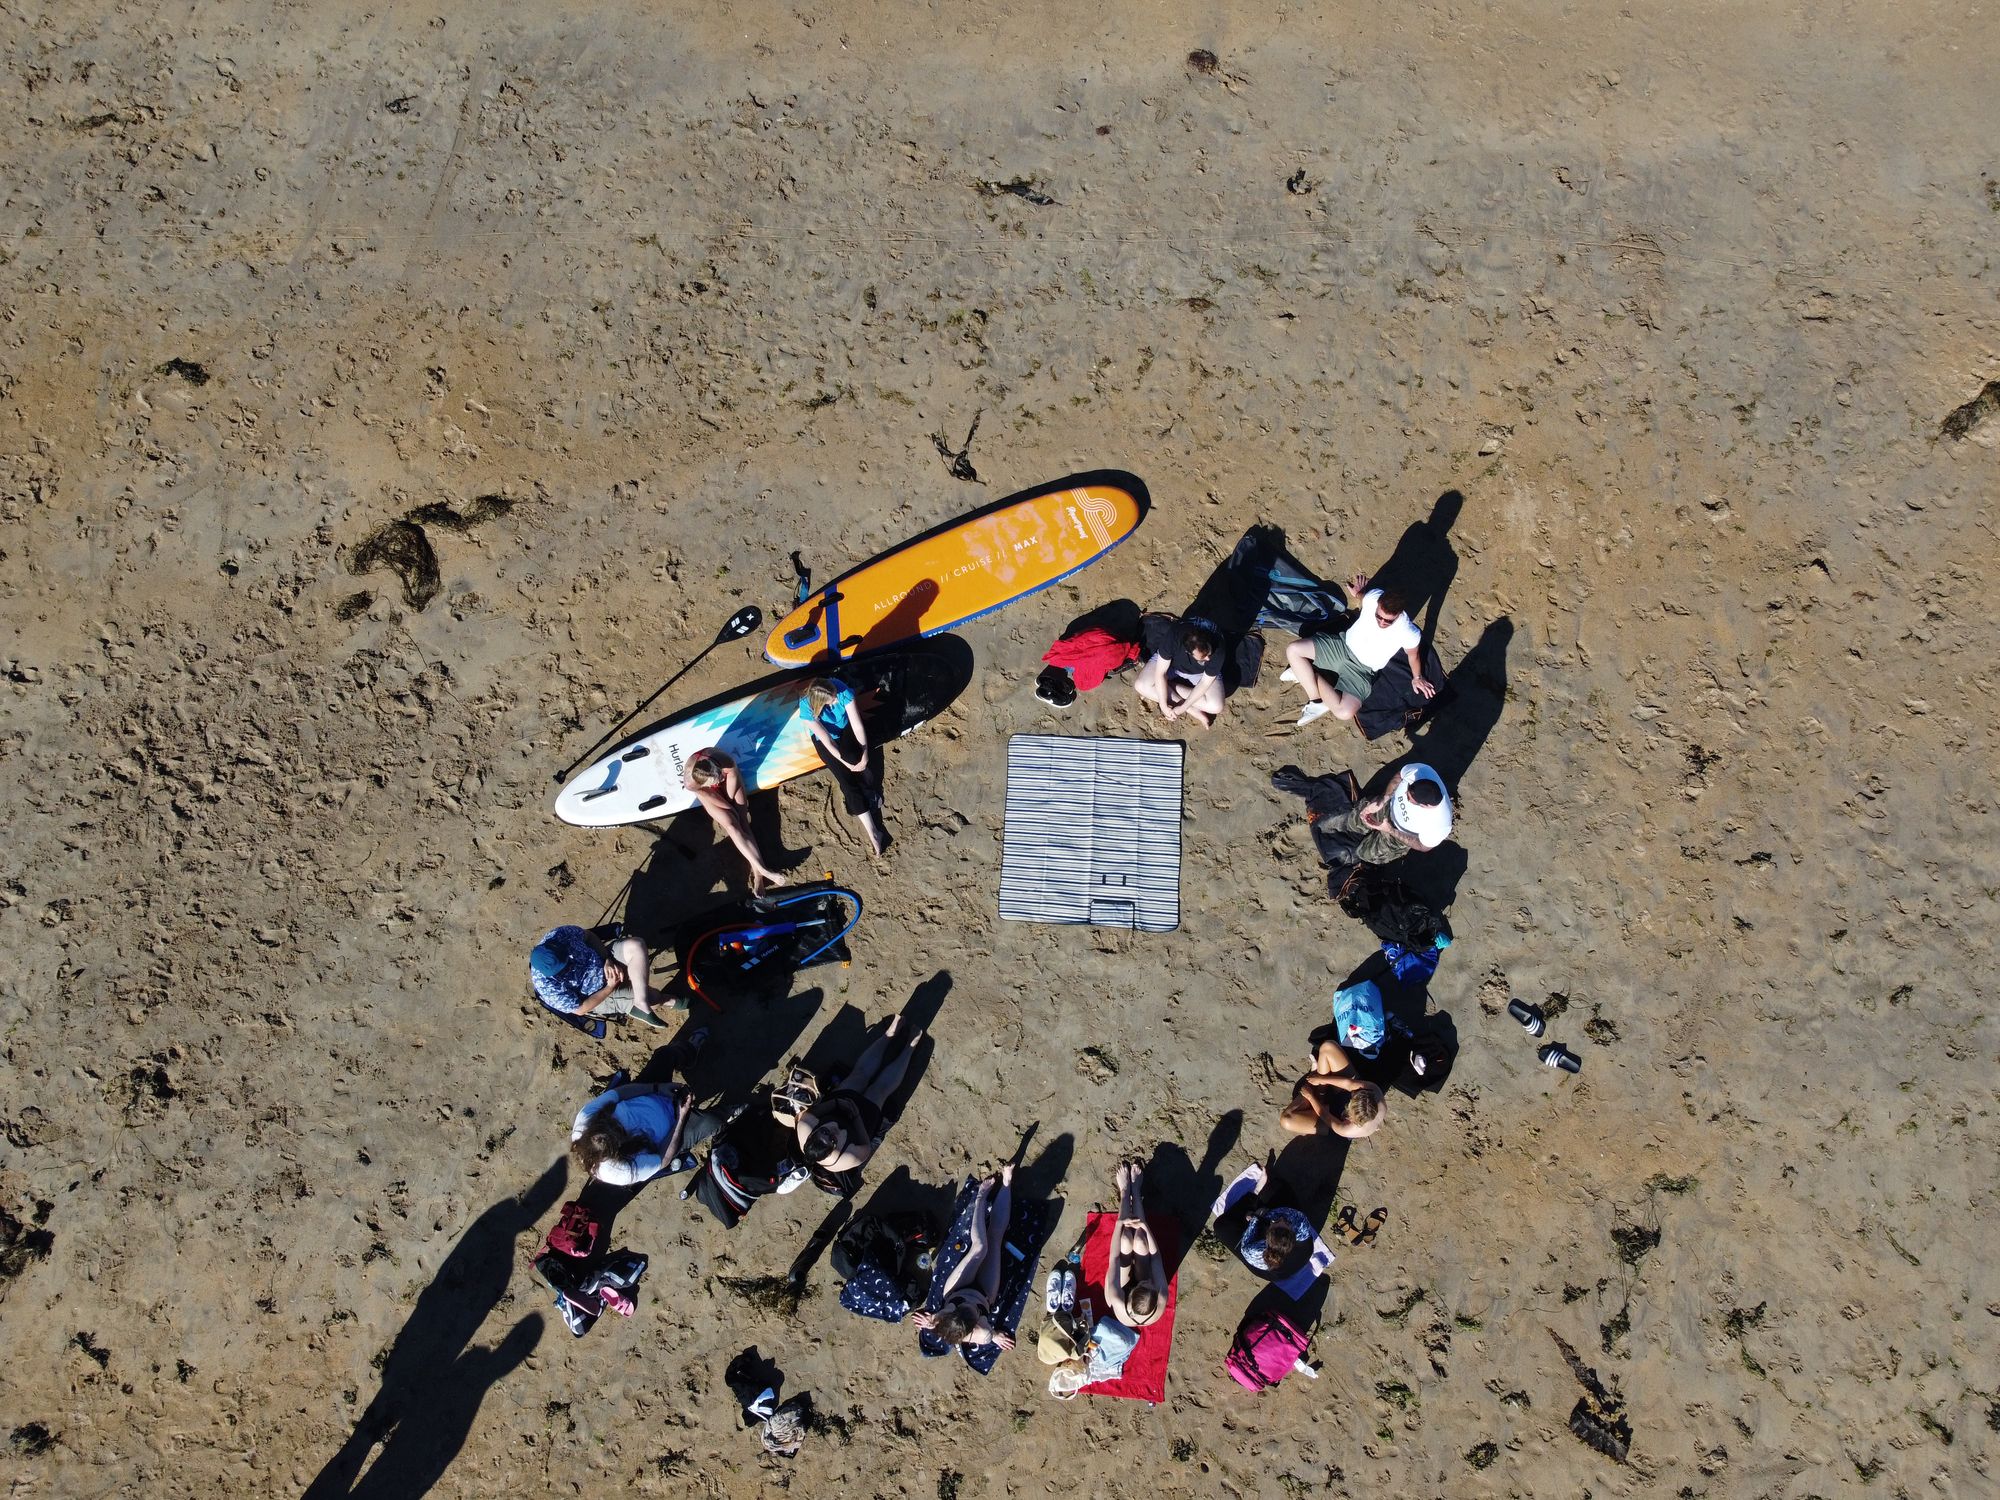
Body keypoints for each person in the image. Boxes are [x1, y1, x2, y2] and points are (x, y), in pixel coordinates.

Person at [570, 1037, 726, 1185]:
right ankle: (731, 1113)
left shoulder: (585, 1118)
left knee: (665, 1054)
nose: (617, 1125)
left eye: (612, 1123)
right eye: (619, 1131)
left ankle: (689, 1054)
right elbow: (663, 1159)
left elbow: (620, 1093)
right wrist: (681, 1118)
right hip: (673, 1128)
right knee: (712, 1121)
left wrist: (657, 1087)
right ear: (615, 1152)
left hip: (651, 1094)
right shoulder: (620, 1171)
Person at [1284, 575, 1434, 727]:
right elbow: (1364, 598)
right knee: (1293, 650)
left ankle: (1308, 673)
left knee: (1344, 712)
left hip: (1362, 671)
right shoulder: (1373, 598)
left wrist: (1417, 677)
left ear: (1399, 614)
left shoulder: (1408, 632)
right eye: (1379, 616)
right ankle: (1316, 699)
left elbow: (1413, 656)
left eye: (1388, 621)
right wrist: (1358, 593)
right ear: (1378, 604)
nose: (1382, 622)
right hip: (1341, 647)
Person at [796, 1013, 924, 1172]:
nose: (833, 1130)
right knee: (880, 1089)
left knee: (859, 1074)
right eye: (832, 1139)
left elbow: (815, 1110)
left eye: (824, 1131)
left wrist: (837, 1103)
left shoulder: (804, 1126)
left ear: (813, 1132)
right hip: (861, 1124)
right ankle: (910, 1047)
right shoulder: (847, 1158)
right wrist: (856, 1116)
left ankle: (888, 1035)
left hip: (835, 1107)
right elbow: (866, 1146)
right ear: (833, 1149)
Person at [913, 1165, 1017, 1349]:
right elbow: (990, 1336)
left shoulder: (945, 1315)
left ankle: (980, 1197)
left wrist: (929, 1321)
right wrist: (996, 1336)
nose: (967, 1306)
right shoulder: (983, 1333)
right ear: (975, 1325)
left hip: (957, 1290)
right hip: (984, 1294)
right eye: (971, 1311)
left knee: (979, 1248)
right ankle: (1006, 1184)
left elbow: (933, 1322)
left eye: (963, 1308)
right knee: (994, 1241)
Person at [799, 677, 888, 855]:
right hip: (826, 738)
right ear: (820, 703)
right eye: (833, 699)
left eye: (835, 695)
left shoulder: (842, 690)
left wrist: (865, 755)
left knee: (854, 757)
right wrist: (845, 764)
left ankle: (863, 773)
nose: (837, 699)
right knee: (846, 782)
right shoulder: (806, 708)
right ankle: (873, 832)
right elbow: (827, 741)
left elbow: (856, 725)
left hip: (845, 728)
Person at [684, 748, 788, 894]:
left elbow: (731, 786)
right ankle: (762, 870)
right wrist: (729, 809)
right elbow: (710, 796)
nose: (718, 781)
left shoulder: (725, 762)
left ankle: (759, 872)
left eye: (718, 777)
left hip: (729, 776)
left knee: (743, 819)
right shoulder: (691, 783)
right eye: (714, 781)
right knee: (731, 826)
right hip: (708, 793)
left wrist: (734, 805)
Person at [530, 923, 670, 1029]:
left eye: (566, 960)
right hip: (599, 994)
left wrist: (607, 959)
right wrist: (609, 987)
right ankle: (662, 1000)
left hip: (603, 961)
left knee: (636, 945)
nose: (569, 966)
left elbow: (589, 936)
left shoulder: (559, 935)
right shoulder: (546, 987)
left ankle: (639, 1001)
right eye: (562, 969)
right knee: (654, 998)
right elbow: (581, 1009)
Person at [1322, 762, 1455, 868]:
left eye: (1410, 800)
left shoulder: (1440, 824)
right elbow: (1399, 776)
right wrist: (1383, 799)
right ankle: (1335, 826)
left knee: (1365, 853)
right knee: (1353, 821)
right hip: (1387, 808)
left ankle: (1358, 857)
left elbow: (1423, 846)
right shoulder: (1421, 771)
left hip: (1399, 835)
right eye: (1408, 791)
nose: (1406, 798)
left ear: (1425, 806)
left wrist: (1390, 830)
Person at [1102, 1160, 1169, 1330]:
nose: (1150, 1282)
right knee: (1140, 1239)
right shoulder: (1161, 1295)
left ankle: (1125, 1191)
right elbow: (1156, 1257)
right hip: (1136, 1285)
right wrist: (1144, 1227)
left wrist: (1119, 1224)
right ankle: (1136, 1192)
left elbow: (1114, 1258)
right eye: (1150, 1284)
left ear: (1130, 1295)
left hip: (1119, 1286)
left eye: (1146, 1283)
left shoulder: (1118, 1298)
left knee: (1125, 1238)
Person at [1281, 1037, 1387, 1140]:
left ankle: (1312, 1082)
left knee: (1287, 1120)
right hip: (1344, 1098)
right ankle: (1320, 1091)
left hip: (1334, 1117)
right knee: (1328, 1047)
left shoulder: (1347, 1129)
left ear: (1350, 1117)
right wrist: (1321, 1079)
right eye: (1355, 1093)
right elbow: (1348, 1084)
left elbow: (1325, 1115)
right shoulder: (1373, 1091)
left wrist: (1311, 1097)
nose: (1352, 1092)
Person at [1133, 616, 1226, 728]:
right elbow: (1161, 672)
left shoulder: (1218, 648)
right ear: (1188, 651)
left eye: (1209, 653)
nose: (1208, 659)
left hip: (1200, 673)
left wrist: (1182, 708)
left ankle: (1170, 686)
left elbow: (1204, 683)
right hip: (1172, 665)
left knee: (1216, 706)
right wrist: (1163, 705)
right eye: (1203, 657)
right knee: (1140, 685)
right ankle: (1193, 710)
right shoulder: (1173, 637)